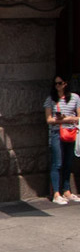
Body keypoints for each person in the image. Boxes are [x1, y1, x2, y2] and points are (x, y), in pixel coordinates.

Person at [44, 75, 79, 205]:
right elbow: (49, 120)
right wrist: (66, 119)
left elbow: (78, 117)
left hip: (71, 132)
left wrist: (64, 119)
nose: (57, 86)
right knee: (57, 162)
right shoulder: (51, 100)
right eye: (55, 84)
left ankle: (67, 191)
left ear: (65, 84)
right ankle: (56, 193)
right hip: (56, 133)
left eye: (59, 83)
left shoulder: (75, 98)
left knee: (68, 162)